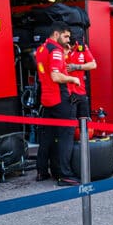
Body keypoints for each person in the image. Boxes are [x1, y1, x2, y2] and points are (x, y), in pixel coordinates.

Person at [35, 21, 82, 186]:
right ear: (56, 34)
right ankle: (64, 175)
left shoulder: (41, 49)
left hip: (46, 99)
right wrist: (73, 78)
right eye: (66, 36)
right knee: (66, 137)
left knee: (46, 136)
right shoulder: (55, 50)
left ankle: (41, 171)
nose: (68, 39)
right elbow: (56, 76)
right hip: (60, 99)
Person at [65, 35, 97, 119]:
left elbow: (93, 65)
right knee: (69, 123)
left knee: (84, 121)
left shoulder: (81, 47)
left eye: (72, 45)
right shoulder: (58, 49)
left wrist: (76, 67)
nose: (71, 48)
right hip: (66, 92)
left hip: (80, 91)